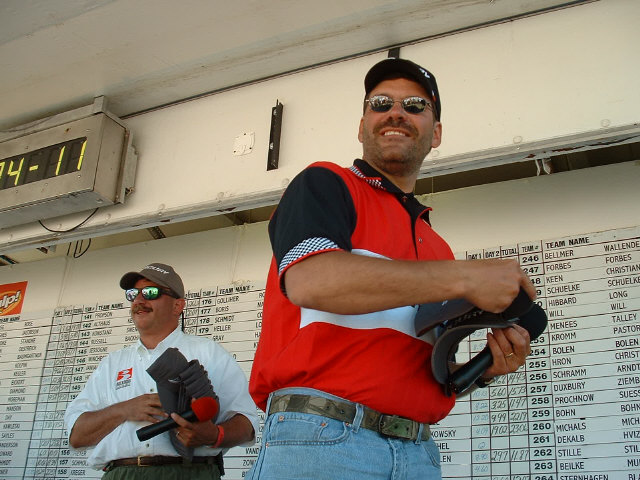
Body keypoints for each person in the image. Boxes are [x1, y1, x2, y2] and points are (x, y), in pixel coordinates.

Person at [247, 58, 536, 480]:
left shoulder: (438, 248)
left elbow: (428, 373)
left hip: (417, 451)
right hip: (321, 437)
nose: (396, 112)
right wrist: (465, 276)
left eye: (415, 105)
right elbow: (310, 279)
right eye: (380, 103)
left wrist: (484, 371)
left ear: (436, 133)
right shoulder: (326, 182)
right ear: (362, 126)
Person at [64, 262, 259, 479]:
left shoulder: (209, 352)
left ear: (177, 305)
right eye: (133, 294)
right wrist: (124, 409)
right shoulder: (111, 364)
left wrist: (214, 435)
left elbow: (247, 425)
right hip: (122, 473)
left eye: (150, 292)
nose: (139, 300)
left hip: (192, 472)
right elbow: (77, 436)